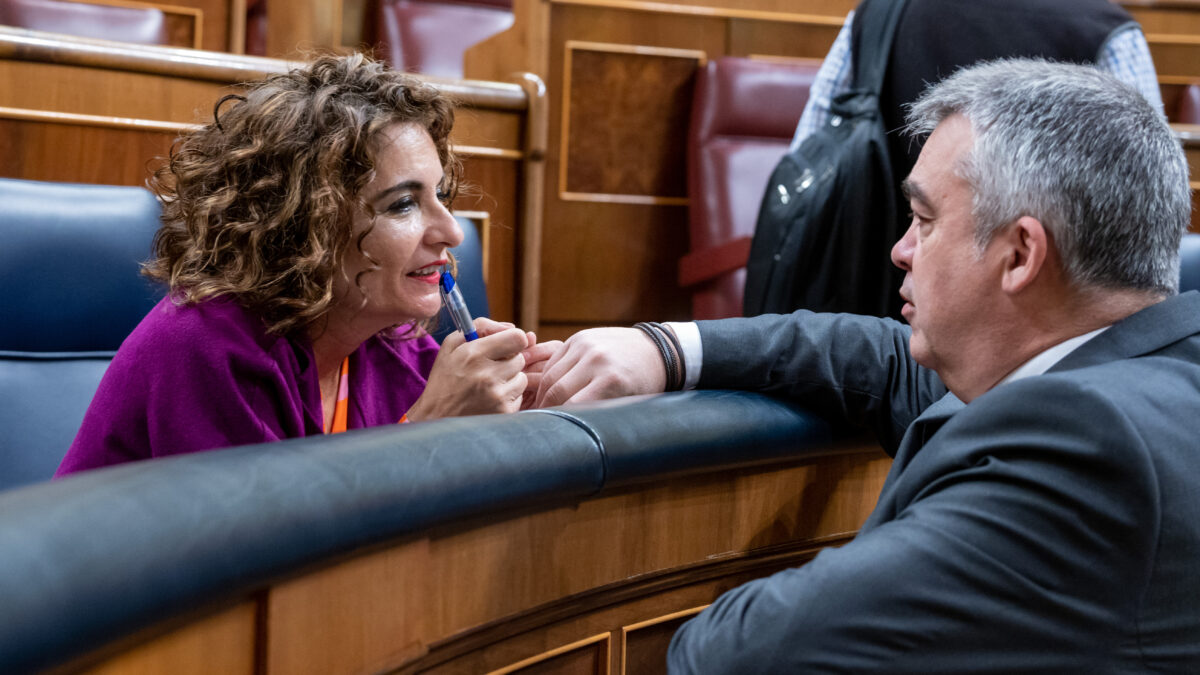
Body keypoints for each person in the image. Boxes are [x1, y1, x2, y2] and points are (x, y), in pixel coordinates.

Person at [534, 59, 1200, 671]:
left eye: (924, 219)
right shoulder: (1150, 371)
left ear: (1021, 254)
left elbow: (743, 653)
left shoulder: (1084, 448)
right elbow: (883, 361)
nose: (900, 250)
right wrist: (669, 349)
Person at [56, 54, 556, 475]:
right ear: (304, 224)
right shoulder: (204, 343)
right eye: (403, 204)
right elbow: (265, 564)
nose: (451, 232)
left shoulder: (392, 346)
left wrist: (520, 408)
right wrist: (431, 425)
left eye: (441, 196)